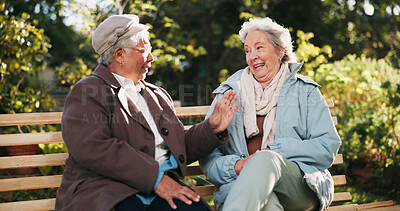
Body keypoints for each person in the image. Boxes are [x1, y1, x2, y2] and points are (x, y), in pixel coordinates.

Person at [55, 14, 238, 211]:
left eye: (150, 49)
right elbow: (93, 147)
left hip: (160, 190)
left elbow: (176, 147)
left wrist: (211, 128)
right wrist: (156, 180)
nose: (151, 58)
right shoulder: (88, 91)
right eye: (143, 50)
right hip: (107, 191)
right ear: (119, 55)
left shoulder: (157, 95)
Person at [199, 17, 341, 211]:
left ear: (280, 50)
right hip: (242, 188)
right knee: (267, 205)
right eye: (247, 50)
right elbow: (208, 155)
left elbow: (326, 146)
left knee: (264, 160)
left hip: (298, 187)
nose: (252, 56)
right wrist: (236, 166)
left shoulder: (305, 91)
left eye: (259, 48)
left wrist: (276, 152)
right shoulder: (229, 94)